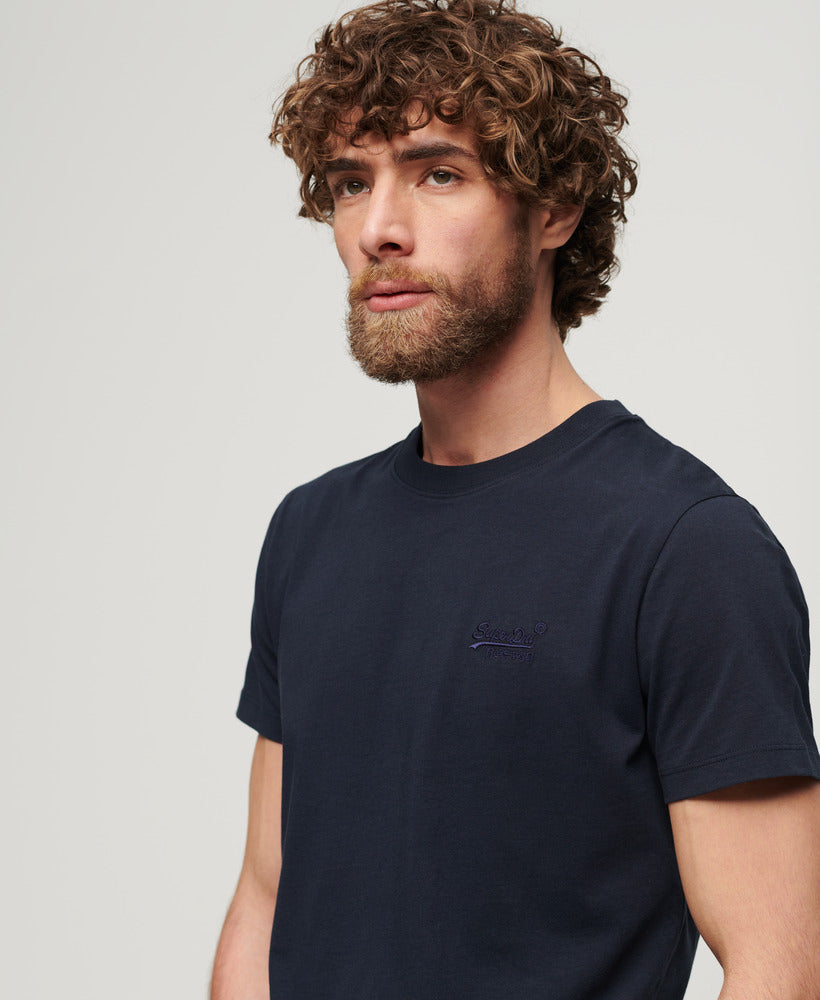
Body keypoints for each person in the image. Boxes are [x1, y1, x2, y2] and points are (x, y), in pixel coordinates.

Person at [210, 1, 820, 997]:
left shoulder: (685, 547)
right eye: (352, 182)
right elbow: (266, 897)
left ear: (555, 211)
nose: (379, 229)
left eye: (438, 173)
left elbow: (780, 967)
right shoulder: (310, 533)